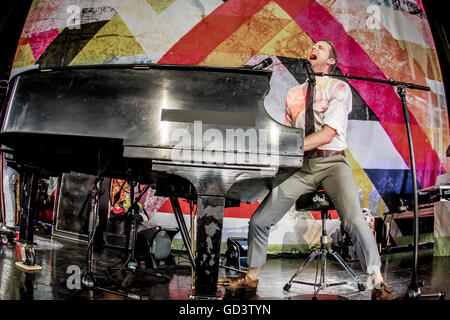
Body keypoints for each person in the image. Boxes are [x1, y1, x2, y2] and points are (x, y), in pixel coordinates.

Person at [226, 40, 394, 300]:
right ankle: (251, 277)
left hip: (332, 163)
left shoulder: (340, 88)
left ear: (331, 62)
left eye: (322, 47)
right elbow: (288, 133)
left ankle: (377, 280)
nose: (314, 47)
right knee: (260, 219)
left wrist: (291, 149)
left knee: (353, 219)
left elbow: (327, 134)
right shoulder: (293, 93)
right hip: (302, 166)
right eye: (313, 45)